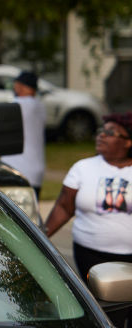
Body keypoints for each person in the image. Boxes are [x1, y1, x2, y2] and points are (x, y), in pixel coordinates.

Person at [44, 113, 132, 286]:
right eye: (101, 131)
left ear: (128, 142)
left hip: (129, 256)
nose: (102, 135)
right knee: (97, 301)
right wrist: (40, 236)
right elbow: (64, 207)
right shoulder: (83, 168)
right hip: (89, 254)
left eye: (111, 133)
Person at [1, 70, 47, 197]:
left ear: (21, 85)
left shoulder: (19, 104)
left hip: (18, 168)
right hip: (36, 168)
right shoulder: (40, 106)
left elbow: (0, 121)